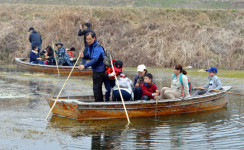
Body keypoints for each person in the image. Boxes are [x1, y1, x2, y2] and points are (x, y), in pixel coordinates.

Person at [78, 32, 105, 102]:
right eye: (87, 39)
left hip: (100, 70)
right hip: (95, 70)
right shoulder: (90, 46)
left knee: (96, 88)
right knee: (97, 88)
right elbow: (90, 56)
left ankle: (98, 103)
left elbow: (95, 59)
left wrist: (84, 65)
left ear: (94, 38)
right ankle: (99, 102)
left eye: (90, 39)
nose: (88, 41)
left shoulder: (97, 47)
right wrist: (83, 56)